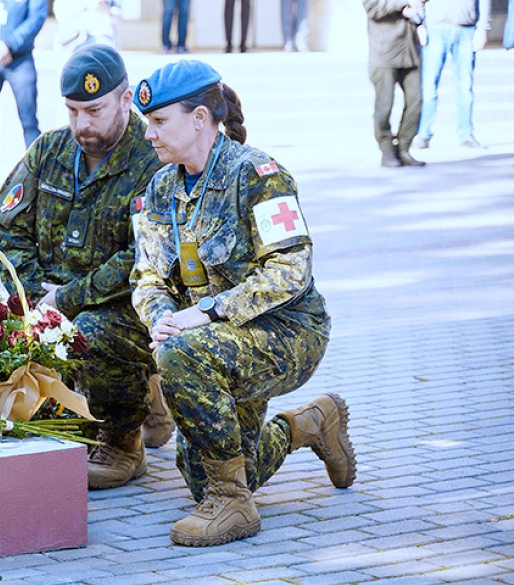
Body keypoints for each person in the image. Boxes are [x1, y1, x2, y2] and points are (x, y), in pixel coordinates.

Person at [130, 60, 355, 546]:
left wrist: (207, 312)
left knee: (180, 356)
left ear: (199, 118)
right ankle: (312, 424)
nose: (148, 134)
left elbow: (291, 269)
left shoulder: (258, 175)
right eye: (148, 123)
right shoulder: (161, 188)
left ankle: (233, 505)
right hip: (212, 340)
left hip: (287, 333)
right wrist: (162, 318)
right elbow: (146, 275)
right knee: (199, 473)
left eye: (159, 121)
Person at [0, 45, 175, 490]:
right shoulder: (50, 150)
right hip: (50, 297)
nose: (82, 125)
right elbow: (7, 226)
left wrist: (67, 300)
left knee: (90, 331)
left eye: (94, 110)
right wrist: (33, 294)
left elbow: (144, 254)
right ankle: (135, 397)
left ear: (126, 100)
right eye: (73, 111)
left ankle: (123, 440)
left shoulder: (154, 161)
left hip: (126, 306)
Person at [0, 0, 49, 195]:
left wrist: (10, 43)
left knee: (29, 120)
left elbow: (37, 17)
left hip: (20, 60)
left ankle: (38, 175)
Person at [414, 0, 491, 149]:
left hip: (466, 30)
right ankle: (423, 134)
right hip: (435, 30)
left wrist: (482, 30)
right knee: (429, 85)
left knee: (465, 86)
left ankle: (466, 134)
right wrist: (419, 24)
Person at [364, 0, 427, 167]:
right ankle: (386, 150)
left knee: (416, 102)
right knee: (384, 107)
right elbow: (372, 8)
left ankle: (404, 148)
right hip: (384, 53)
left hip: (410, 51)